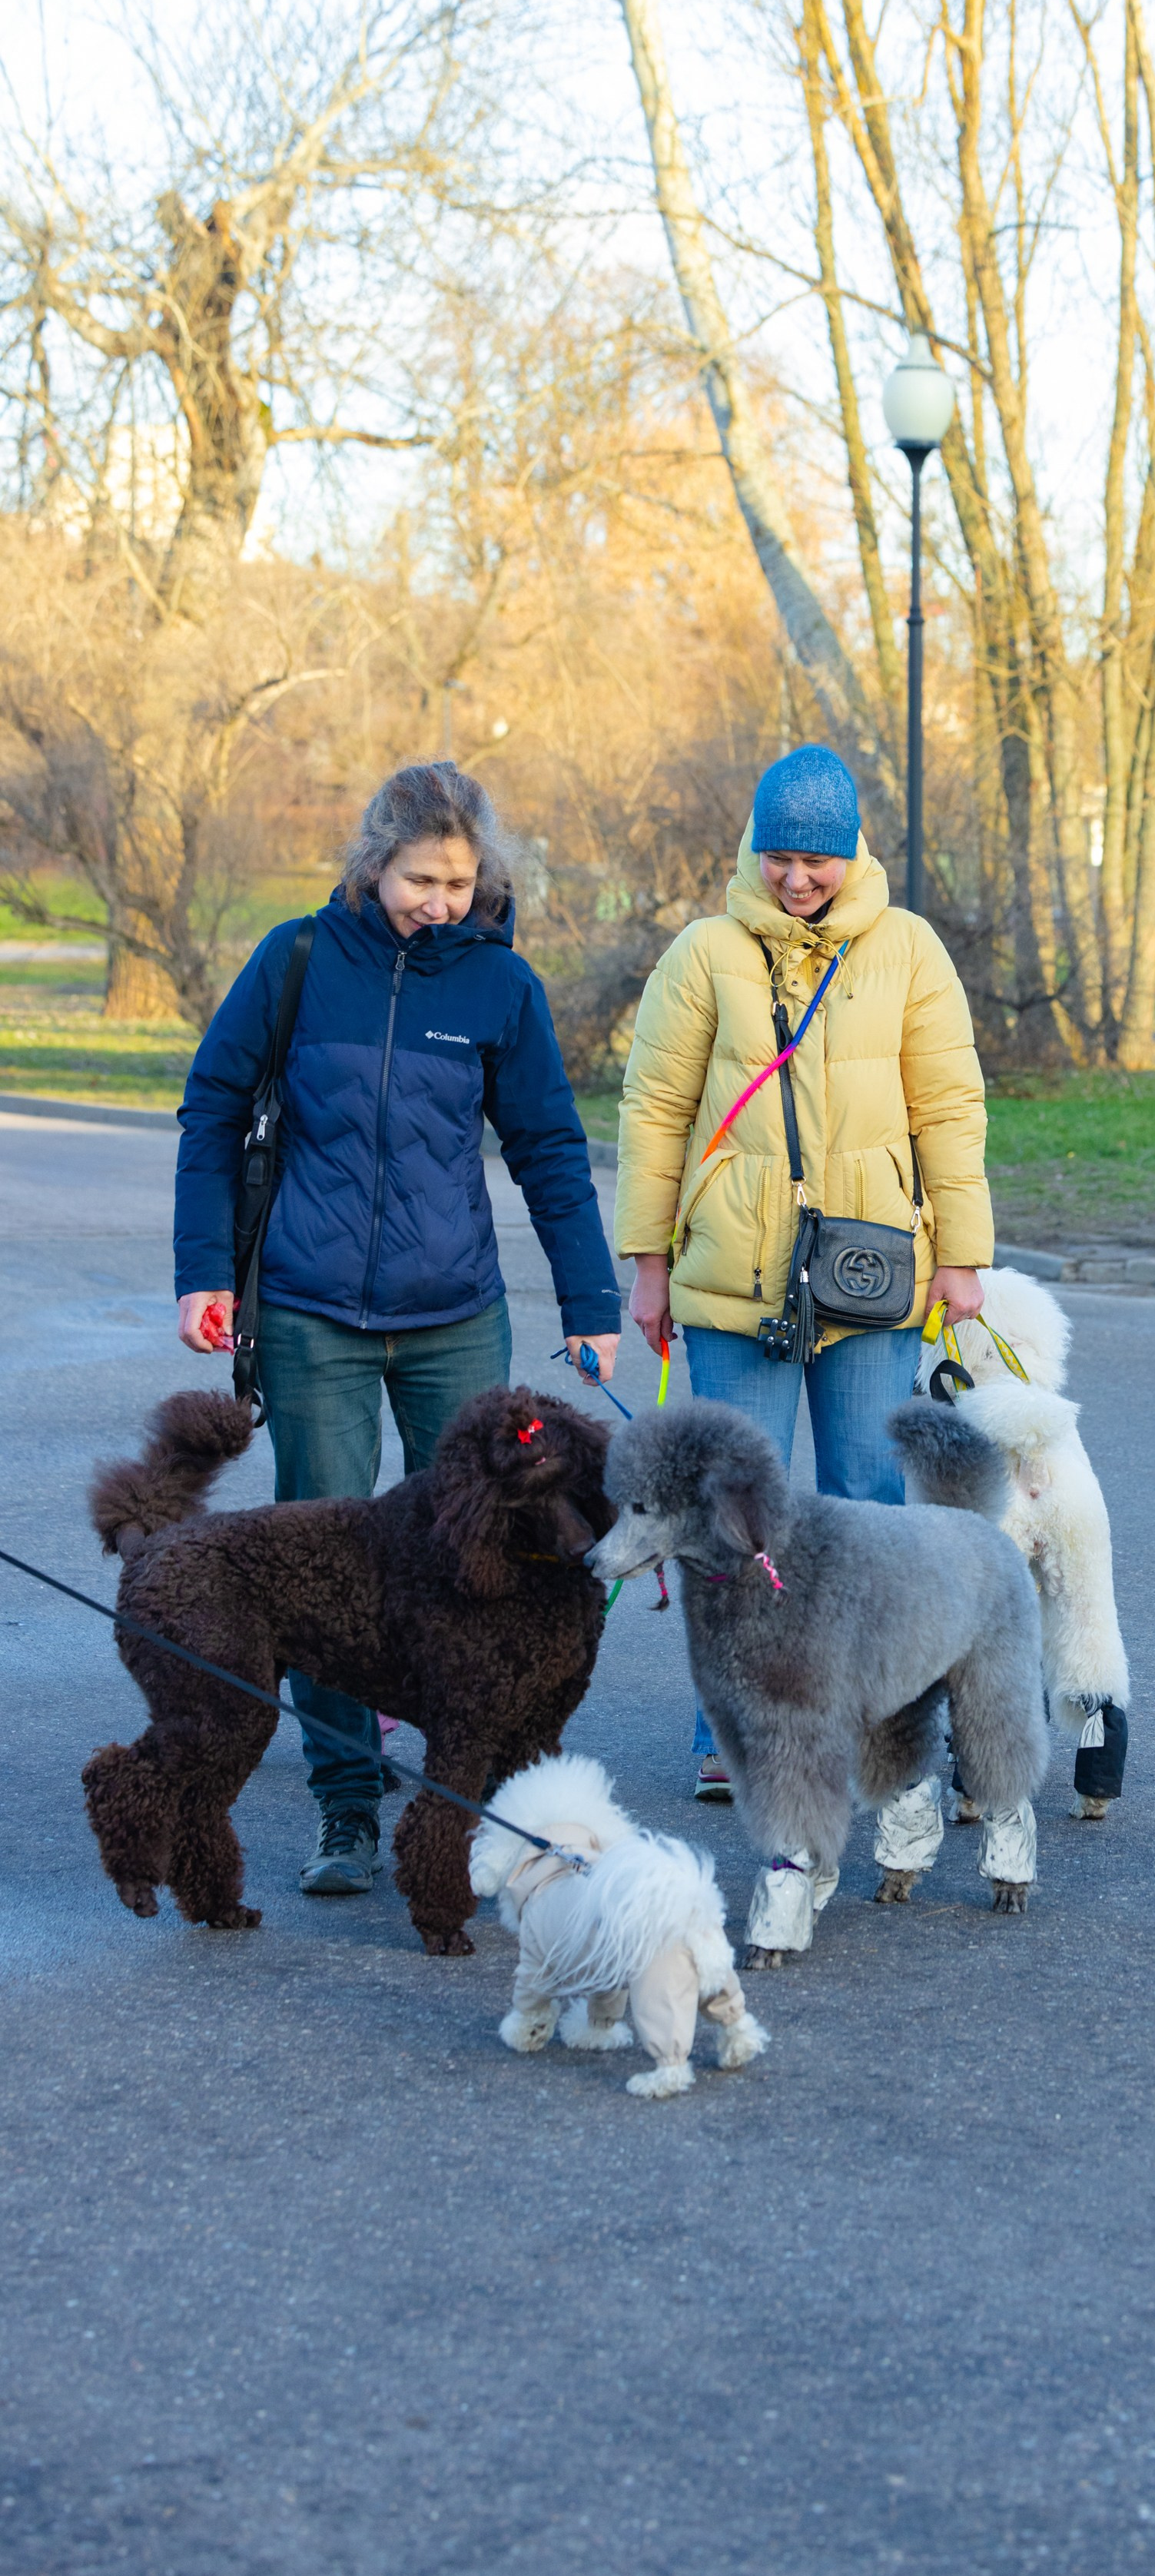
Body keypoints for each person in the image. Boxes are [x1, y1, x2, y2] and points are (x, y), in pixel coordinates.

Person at [173, 760, 622, 1892]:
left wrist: (591, 1305)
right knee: (324, 1567)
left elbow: (550, 1149)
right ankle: (345, 1804)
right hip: (310, 1311)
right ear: (374, 864)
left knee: (481, 1559)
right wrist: (203, 1275)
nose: (441, 902)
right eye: (421, 879)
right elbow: (213, 1111)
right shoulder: (297, 960)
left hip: (453, 1318)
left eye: (460, 883)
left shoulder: (499, 986)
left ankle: (478, 1803)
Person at [615, 743, 992, 1798]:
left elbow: (949, 1109)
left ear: (852, 850)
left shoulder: (909, 951)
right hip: (736, 1276)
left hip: (872, 1274)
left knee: (869, 1504)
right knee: (734, 1511)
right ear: (755, 847)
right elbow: (654, 1112)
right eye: (777, 856)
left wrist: (963, 1256)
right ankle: (729, 1731)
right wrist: (648, 1264)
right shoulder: (704, 953)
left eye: (816, 860)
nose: (795, 879)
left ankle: (883, 1733)